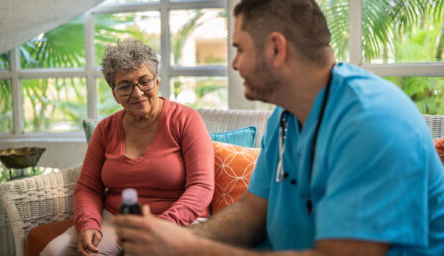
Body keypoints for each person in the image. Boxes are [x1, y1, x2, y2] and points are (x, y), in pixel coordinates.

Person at [114, 0, 444, 255]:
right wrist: (176, 239)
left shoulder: (371, 123)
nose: (234, 63)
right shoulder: (284, 116)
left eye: (240, 48)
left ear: (276, 48)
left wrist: (190, 248)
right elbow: (252, 212)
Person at [40, 39, 215, 256]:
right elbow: (87, 187)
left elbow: (202, 186)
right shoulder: (105, 129)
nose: (137, 93)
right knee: (54, 252)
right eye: (125, 86)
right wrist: (89, 224)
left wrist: (162, 225)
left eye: (144, 81)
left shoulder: (186, 120)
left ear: (157, 82)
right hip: (115, 219)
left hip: (177, 220)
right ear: (114, 94)